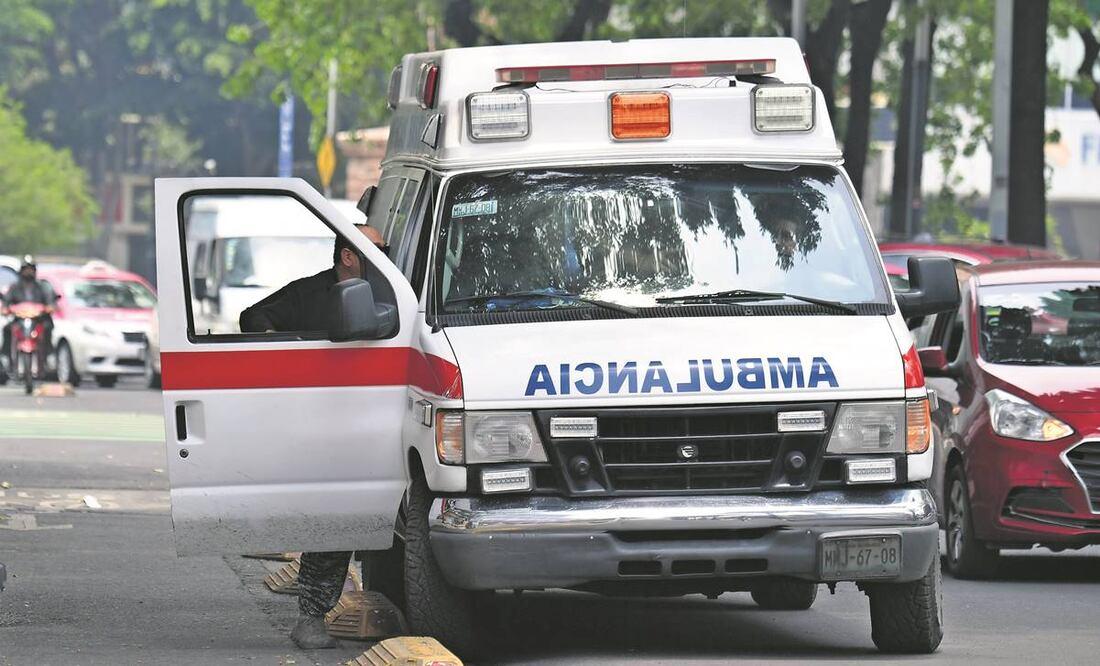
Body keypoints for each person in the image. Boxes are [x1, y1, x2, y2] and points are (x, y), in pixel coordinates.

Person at [239, 225, 389, 650]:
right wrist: (284, 354)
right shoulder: (310, 293)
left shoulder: (393, 293)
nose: (386, 256)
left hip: (377, 416)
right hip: (324, 424)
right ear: (347, 256)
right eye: (377, 249)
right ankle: (312, 617)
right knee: (333, 518)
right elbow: (254, 317)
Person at [1, 257, 56, 377]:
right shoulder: (14, 287)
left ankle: (48, 356)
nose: (28, 272)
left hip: (38, 320)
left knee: (47, 328)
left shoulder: (42, 286)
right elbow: (6, 301)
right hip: (19, 320)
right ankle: (6, 358)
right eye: (26, 269)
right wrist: (5, 308)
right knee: (7, 329)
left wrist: (49, 307)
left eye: (31, 269)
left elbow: (50, 301)